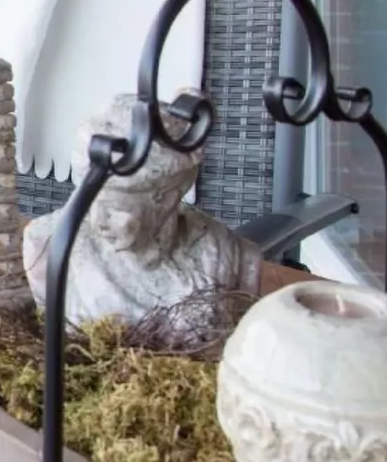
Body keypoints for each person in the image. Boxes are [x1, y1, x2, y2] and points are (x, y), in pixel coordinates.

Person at [22, 94, 262, 326]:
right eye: (89, 203)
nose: (98, 221)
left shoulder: (232, 259)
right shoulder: (46, 248)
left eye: (114, 209)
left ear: (166, 201)